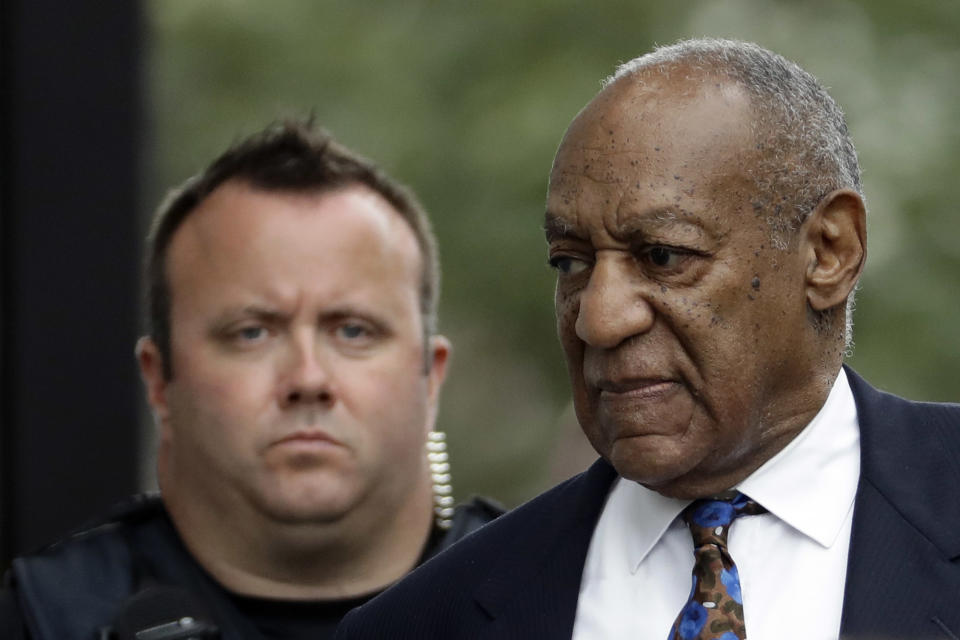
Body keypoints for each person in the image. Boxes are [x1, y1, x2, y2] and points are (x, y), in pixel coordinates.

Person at [334, 39, 960, 640]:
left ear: (829, 252)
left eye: (662, 256)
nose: (598, 320)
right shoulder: (429, 618)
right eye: (571, 263)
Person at [0, 120, 501, 639]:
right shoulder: (46, 618)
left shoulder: (558, 591)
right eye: (252, 333)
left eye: (353, 330)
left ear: (431, 377)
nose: (308, 378)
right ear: (157, 380)